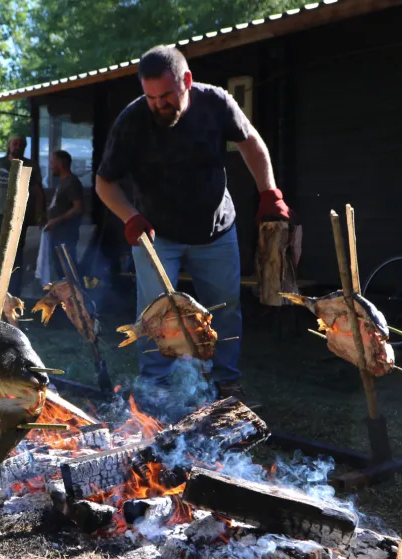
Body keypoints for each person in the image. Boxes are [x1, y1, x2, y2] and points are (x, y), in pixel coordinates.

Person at [95, 45, 290, 401]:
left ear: (186, 81)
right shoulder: (132, 120)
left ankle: (226, 380)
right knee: (154, 315)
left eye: (166, 95)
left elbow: (252, 144)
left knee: (224, 308)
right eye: (150, 96)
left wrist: (269, 193)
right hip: (156, 236)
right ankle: (155, 386)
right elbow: (104, 182)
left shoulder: (215, 104)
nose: (158, 104)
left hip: (215, 231)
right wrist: (130, 216)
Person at [0, 134, 45, 297]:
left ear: (24, 147)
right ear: (9, 145)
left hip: (20, 216)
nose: (17, 147)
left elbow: (38, 191)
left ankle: (13, 290)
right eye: (14, 143)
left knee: (15, 253)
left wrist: (39, 213)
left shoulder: (30, 165)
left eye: (21, 144)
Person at [44, 150, 85, 279]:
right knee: (59, 266)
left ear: (60, 164)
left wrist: (56, 220)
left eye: (52, 162)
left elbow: (78, 208)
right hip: (57, 233)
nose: (50, 166)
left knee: (68, 266)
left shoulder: (72, 182)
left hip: (66, 234)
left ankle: (77, 294)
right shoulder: (62, 182)